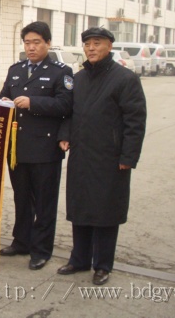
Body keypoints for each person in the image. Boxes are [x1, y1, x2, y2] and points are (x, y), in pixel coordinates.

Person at [57, 27, 146, 285]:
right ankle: (79, 259)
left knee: (106, 212)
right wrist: (65, 135)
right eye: (87, 44)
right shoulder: (80, 78)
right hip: (82, 154)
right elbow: (70, 113)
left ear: (109, 46)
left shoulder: (125, 79)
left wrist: (128, 156)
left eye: (97, 43)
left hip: (110, 157)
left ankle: (103, 265)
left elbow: (135, 121)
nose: (91, 48)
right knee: (80, 208)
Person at [0, 21, 74, 270]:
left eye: (36, 42)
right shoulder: (16, 69)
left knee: (44, 202)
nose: (31, 47)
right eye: (27, 43)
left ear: (48, 43)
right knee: (21, 198)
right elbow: (3, 96)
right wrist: (4, 101)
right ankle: (21, 242)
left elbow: (66, 105)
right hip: (17, 148)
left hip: (44, 148)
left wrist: (33, 103)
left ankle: (41, 250)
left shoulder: (61, 72)